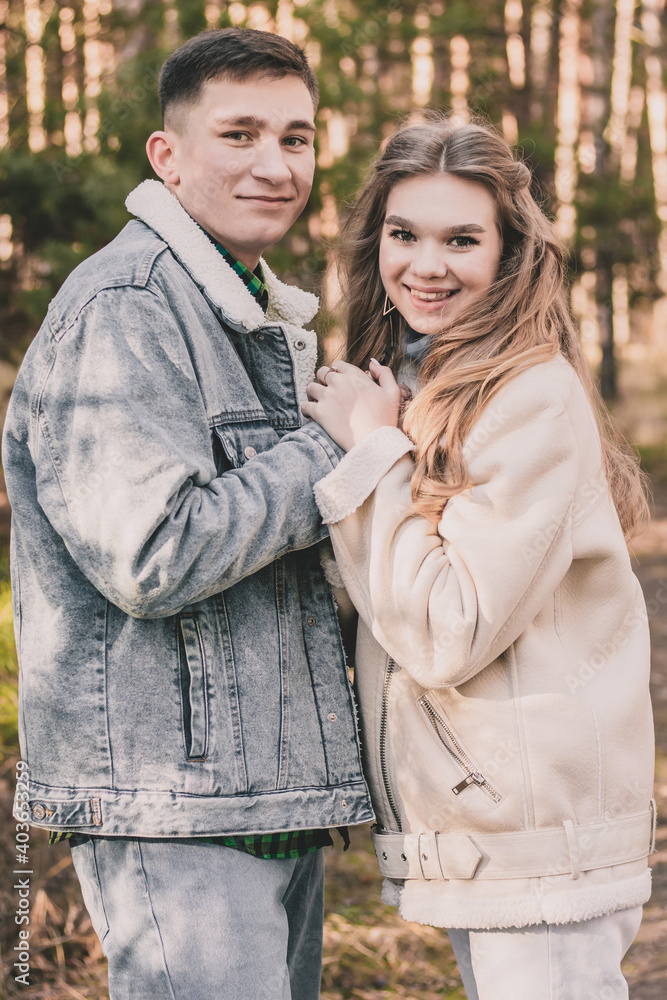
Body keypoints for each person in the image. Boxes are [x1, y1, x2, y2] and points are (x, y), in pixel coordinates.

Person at [2, 28, 375, 1000]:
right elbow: (151, 554)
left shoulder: (245, 310)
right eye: (239, 133)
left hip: (260, 794)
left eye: (295, 138)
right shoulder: (127, 307)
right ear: (167, 156)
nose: (275, 164)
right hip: (175, 806)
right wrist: (337, 450)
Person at [302, 118, 656, 1000]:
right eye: (404, 235)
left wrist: (370, 454)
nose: (427, 266)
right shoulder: (425, 379)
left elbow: (443, 629)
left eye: (462, 239)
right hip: (489, 830)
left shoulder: (525, 394)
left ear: (508, 254)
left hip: (535, 840)